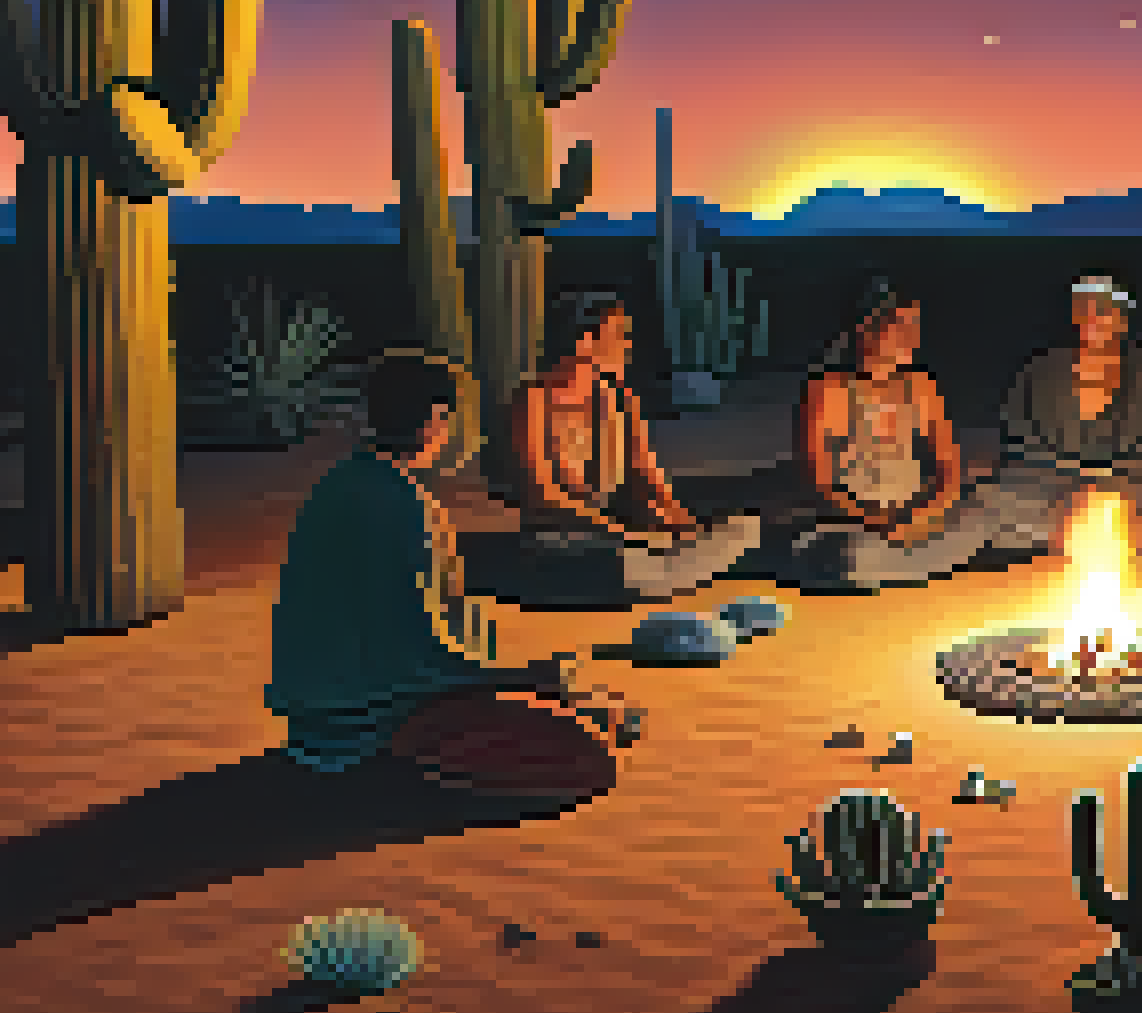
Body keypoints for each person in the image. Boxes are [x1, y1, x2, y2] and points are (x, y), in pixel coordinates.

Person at [265, 348, 643, 793]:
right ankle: (418, 766)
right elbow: (420, 658)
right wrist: (525, 679)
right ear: (435, 421)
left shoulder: (336, 487)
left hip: (323, 717)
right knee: (587, 749)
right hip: (373, 720)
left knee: (571, 705)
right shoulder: (407, 506)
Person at [490, 290, 761, 604]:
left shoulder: (620, 401)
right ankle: (662, 573)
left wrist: (688, 528)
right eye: (618, 336)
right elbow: (542, 497)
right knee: (623, 560)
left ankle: (674, 567)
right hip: (561, 538)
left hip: (618, 534)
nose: (627, 347)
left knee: (741, 528)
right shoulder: (534, 402)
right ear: (584, 342)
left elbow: (650, 481)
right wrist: (623, 534)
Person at [782, 276, 997, 588]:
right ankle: (888, 569)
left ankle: (902, 566)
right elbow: (819, 481)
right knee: (854, 555)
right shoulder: (828, 391)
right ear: (866, 329)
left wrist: (920, 517)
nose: (911, 338)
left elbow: (949, 472)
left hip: (915, 520)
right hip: (854, 524)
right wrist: (876, 520)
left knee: (983, 518)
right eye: (900, 328)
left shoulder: (920, 386)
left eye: (914, 327)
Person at [971, 273, 1142, 555]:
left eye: (1104, 310)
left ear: (1122, 319)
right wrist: (1074, 491)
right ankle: (1076, 531)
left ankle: (1116, 529)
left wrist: (1109, 488)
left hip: (1133, 485)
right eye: (1085, 309)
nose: (1093, 318)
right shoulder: (1042, 370)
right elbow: (1022, 439)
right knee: (996, 494)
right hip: (1054, 485)